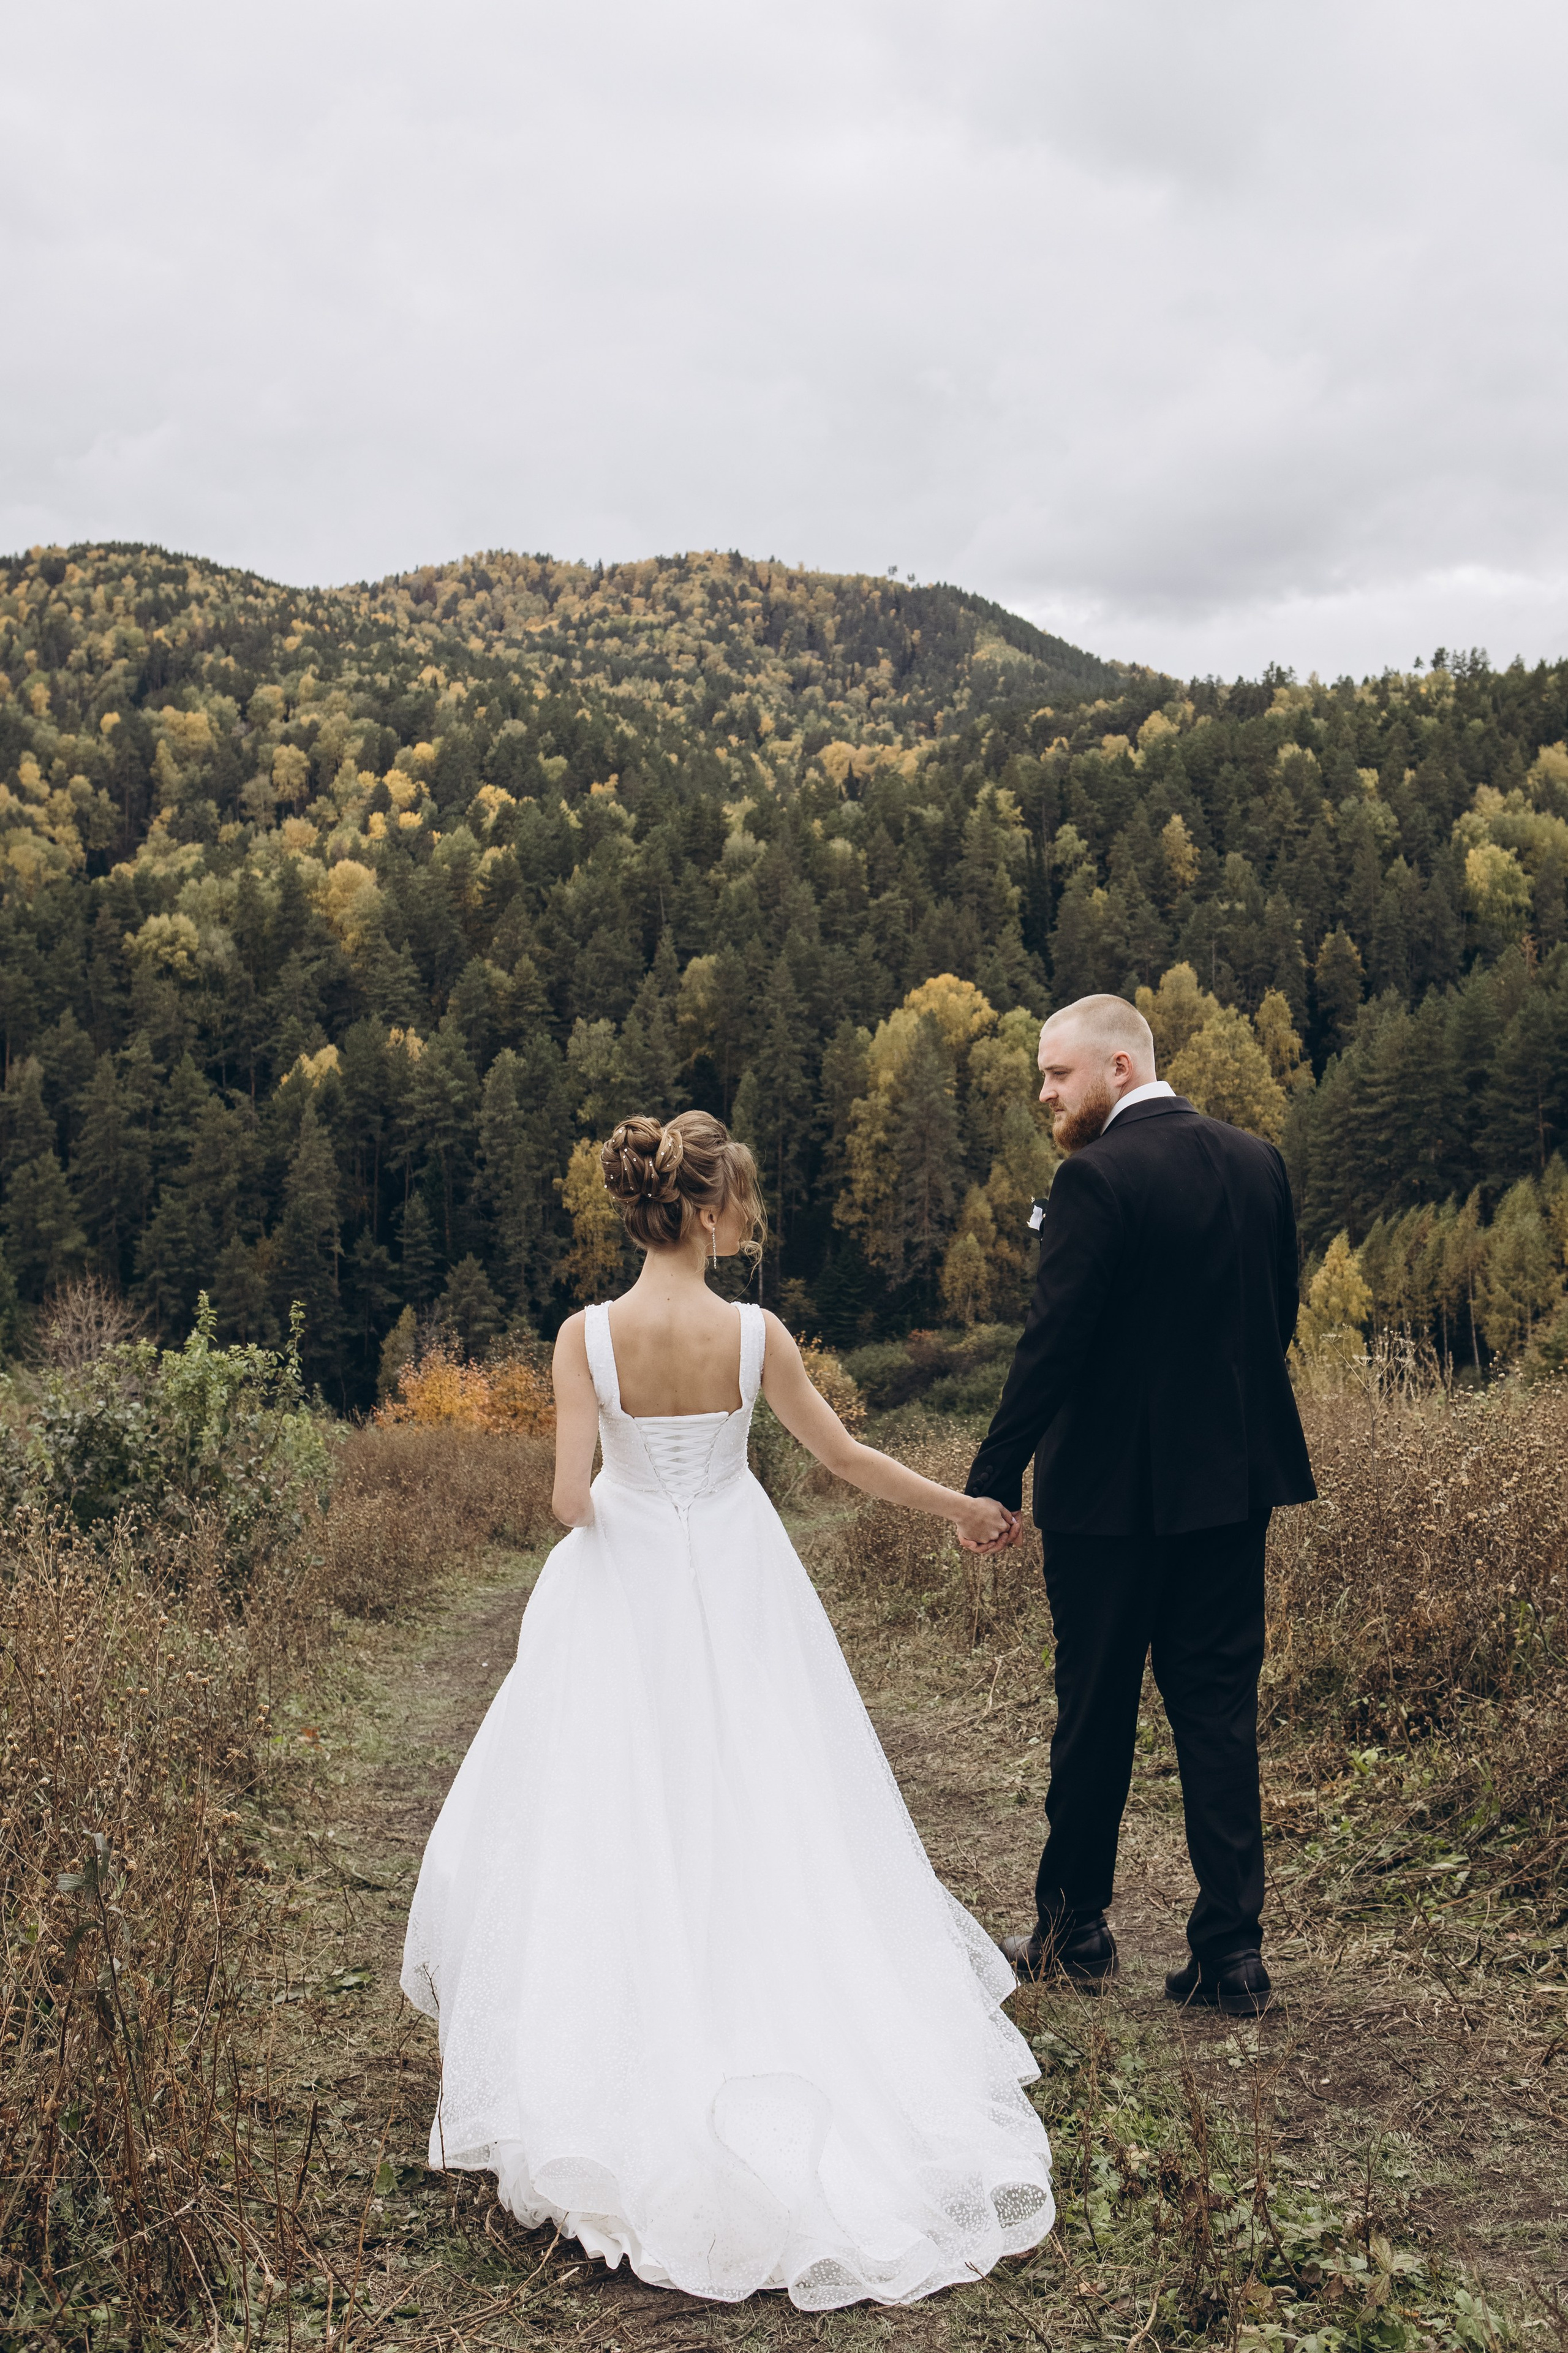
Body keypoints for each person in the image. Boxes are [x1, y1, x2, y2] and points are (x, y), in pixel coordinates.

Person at [402, 1110, 1054, 2311]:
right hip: (747, 1589)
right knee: (768, 1799)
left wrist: (623, 1505)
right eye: (741, 1203)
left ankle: (612, 2055)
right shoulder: (755, 1336)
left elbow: (562, 1498)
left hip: (622, 1587)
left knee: (616, 1818)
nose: (748, 1222)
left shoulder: (581, 1337)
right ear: (707, 1212)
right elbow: (845, 1460)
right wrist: (961, 1507)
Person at [963, 995, 1316, 2019]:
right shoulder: (1259, 1163)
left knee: (1097, 1714)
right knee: (1217, 1712)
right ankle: (1232, 1954)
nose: (1044, 1094)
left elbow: (1053, 1344)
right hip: (1228, 1491)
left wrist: (994, 1478)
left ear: (1120, 1066)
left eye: (1056, 1075)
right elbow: (1276, 1316)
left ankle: (1073, 1929)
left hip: (1108, 1503)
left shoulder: (1094, 1178)